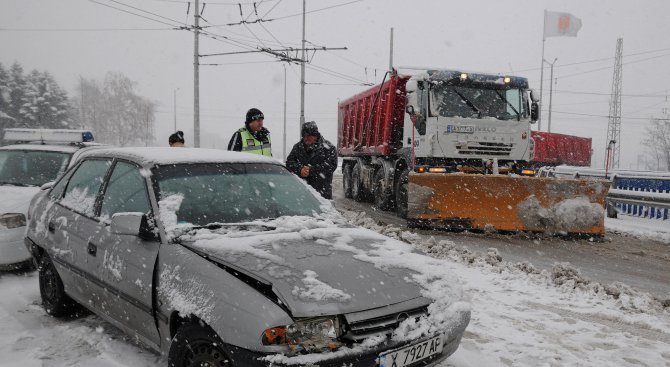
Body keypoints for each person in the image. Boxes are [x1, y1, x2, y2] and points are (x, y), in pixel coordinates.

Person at [286, 121, 338, 199]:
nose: (306, 138)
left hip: (322, 194)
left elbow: (331, 166)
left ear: (316, 135)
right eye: (304, 136)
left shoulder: (329, 148)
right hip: (301, 193)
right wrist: (300, 169)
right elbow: (289, 162)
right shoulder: (297, 147)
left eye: (309, 135)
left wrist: (312, 170)